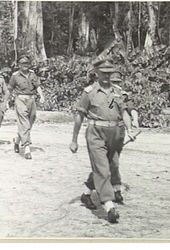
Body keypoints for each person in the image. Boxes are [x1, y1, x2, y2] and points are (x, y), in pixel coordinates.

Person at [69, 59, 136, 223]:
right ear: (96, 73)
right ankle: (109, 205)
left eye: (109, 72)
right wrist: (74, 140)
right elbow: (79, 116)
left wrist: (129, 130)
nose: (106, 75)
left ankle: (86, 194)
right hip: (96, 134)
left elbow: (125, 112)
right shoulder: (89, 92)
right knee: (102, 168)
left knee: (111, 166)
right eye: (103, 72)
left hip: (116, 134)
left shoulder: (119, 92)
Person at [8, 55, 45, 159]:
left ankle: (17, 140)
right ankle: (27, 148)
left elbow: (38, 86)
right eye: (23, 64)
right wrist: (7, 101)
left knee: (30, 122)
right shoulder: (15, 76)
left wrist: (41, 96)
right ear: (19, 65)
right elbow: (9, 89)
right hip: (20, 99)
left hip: (31, 100)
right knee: (25, 123)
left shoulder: (33, 74)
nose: (25, 66)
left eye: (27, 64)